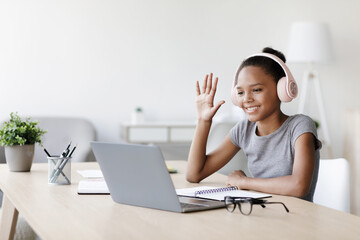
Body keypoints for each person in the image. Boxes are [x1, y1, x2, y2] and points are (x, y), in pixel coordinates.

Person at [186, 47, 322, 202]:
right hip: (261, 215)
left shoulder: (300, 126)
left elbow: (298, 186)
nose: (247, 99)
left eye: (256, 90)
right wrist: (204, 121)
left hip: (297, 219)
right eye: (240, 92)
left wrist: (245, 182)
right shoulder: (244, 130)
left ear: (281, 89)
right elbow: (194, 174)